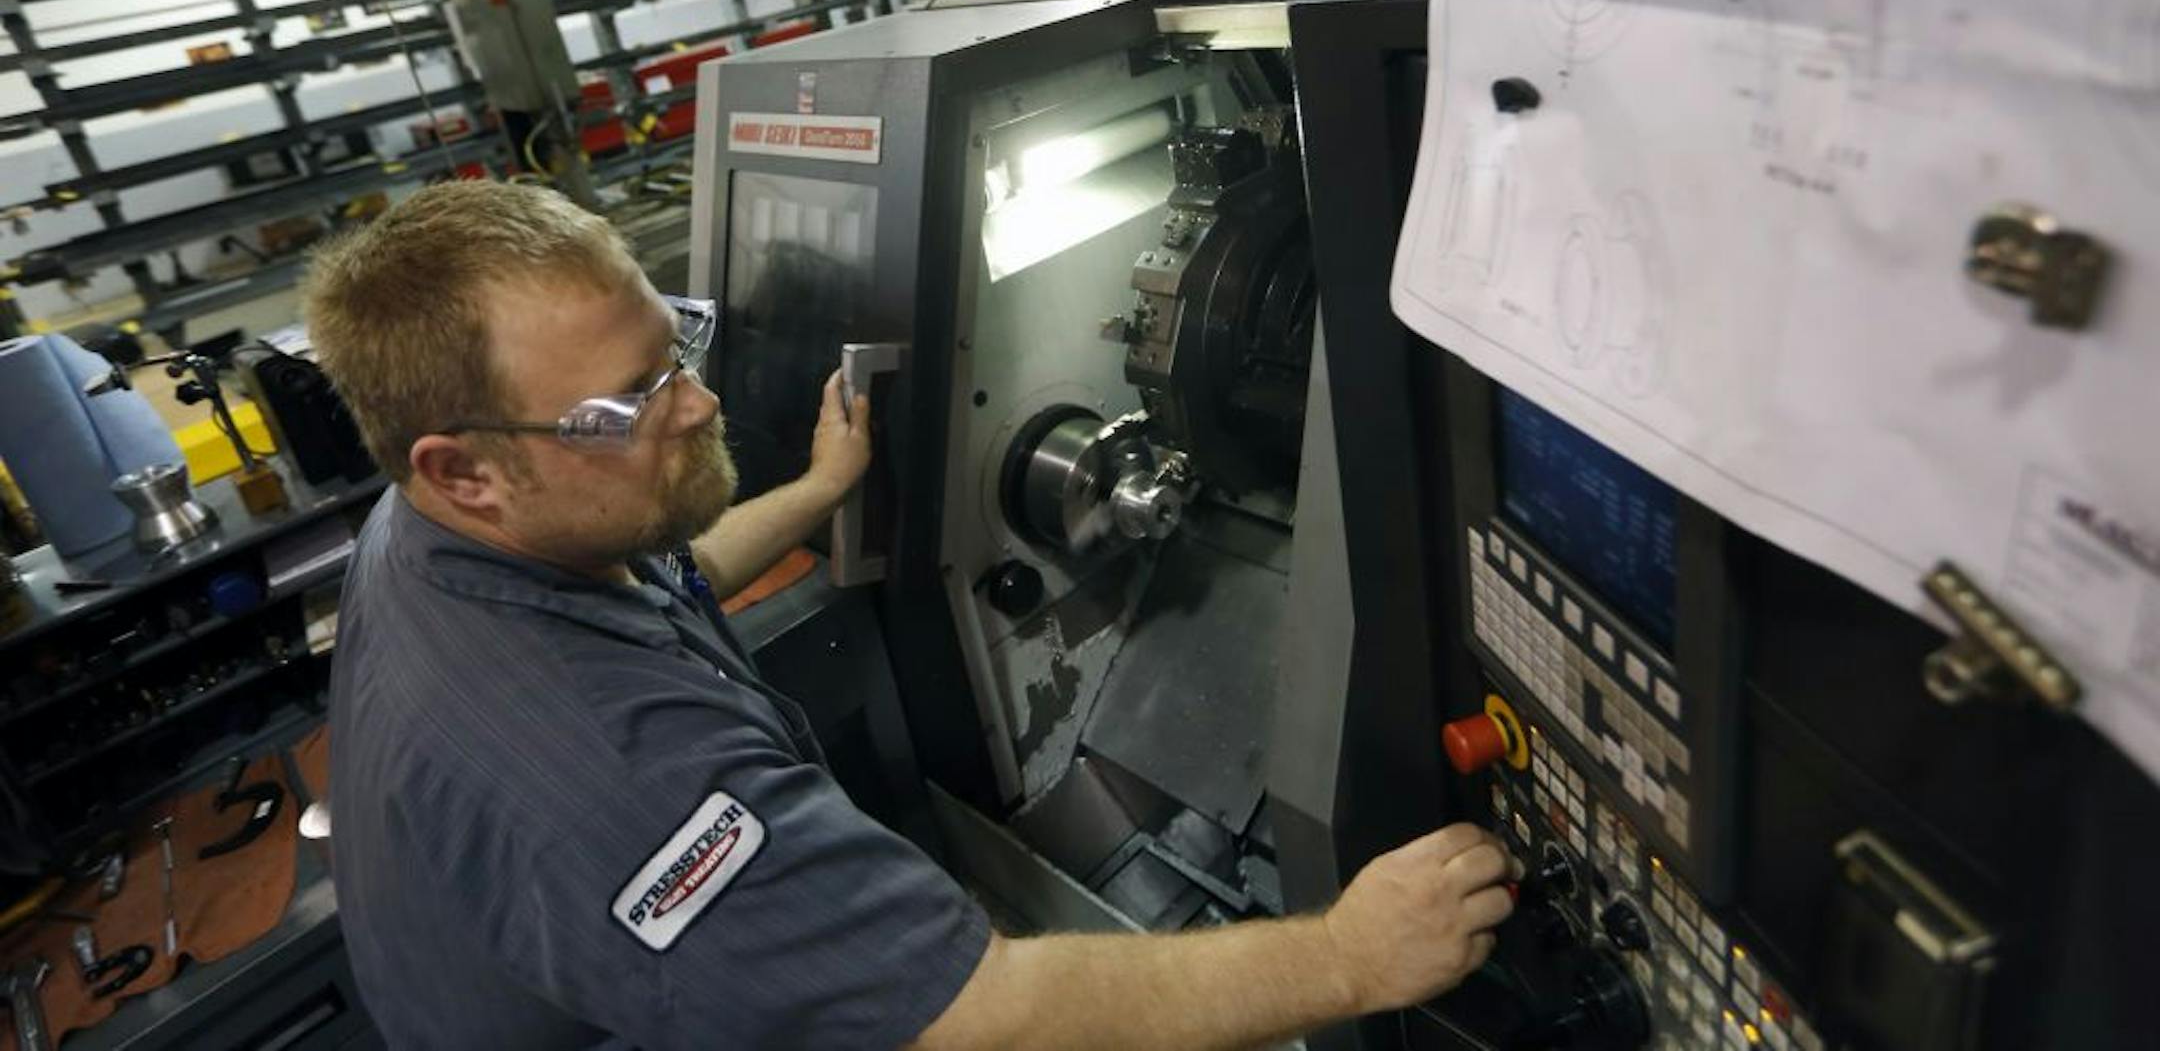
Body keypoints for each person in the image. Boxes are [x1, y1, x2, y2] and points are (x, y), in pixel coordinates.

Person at [305, 179, 1516, 1051]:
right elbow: (976, 1016)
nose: (698, 404)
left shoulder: (449, 531)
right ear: (460, 465)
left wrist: (821, 492)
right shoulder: (612, 783)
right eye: (629, 404)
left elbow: (665, 582)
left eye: (674, 353)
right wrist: (1352, 957)